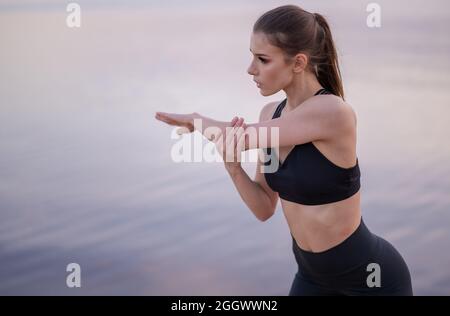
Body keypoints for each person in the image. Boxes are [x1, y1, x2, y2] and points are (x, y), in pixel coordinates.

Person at [155, 5, 413, 296]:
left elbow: (240, 136)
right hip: (311, 279)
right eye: (252, 56)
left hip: (369, 279)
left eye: (262, 59)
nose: (251, 69)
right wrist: (233, 168)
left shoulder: (332, 112)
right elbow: (264, 207)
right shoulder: (269, 115)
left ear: (299, 62)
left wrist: (197, 120)